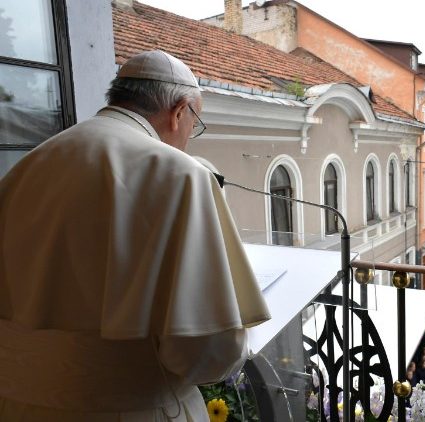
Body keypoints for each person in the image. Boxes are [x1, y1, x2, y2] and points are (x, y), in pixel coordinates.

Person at [0, 51, 271, 421]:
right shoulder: (181, 175)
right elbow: (205, 354)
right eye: (196, 124)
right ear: (180, 112)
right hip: (134, 410)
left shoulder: (30, 165)